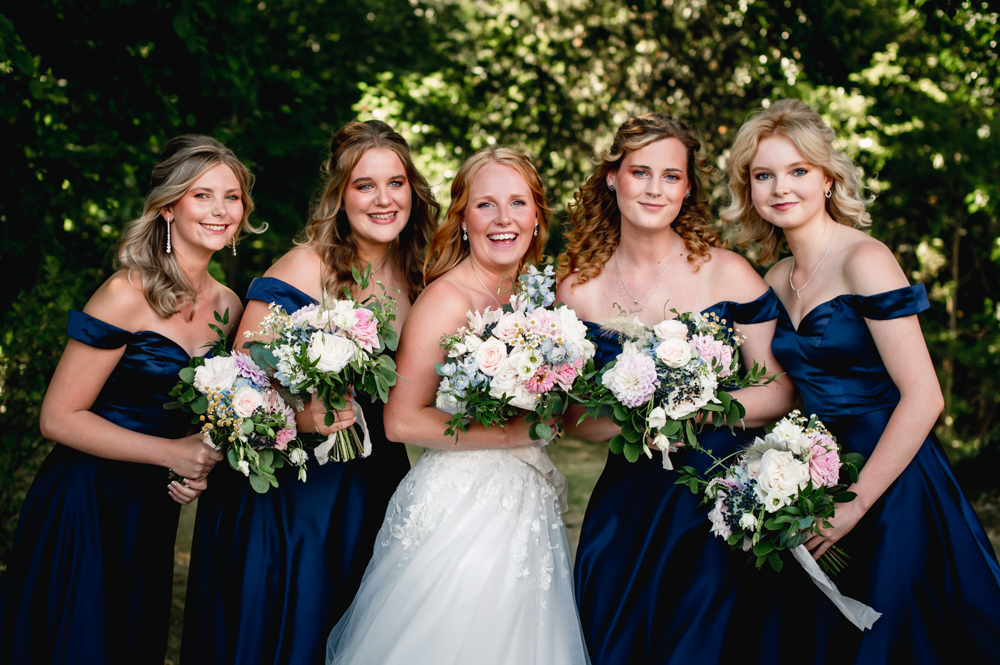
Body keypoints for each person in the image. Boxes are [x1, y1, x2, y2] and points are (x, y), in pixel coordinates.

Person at [722, 97, 1000, 664]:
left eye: (798, 170)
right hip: (815, 479)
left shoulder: (865, 260)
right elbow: (782, 393)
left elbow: (925, 396)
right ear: (748, 188)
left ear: (826, 178)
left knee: (899, 637)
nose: (782, 187)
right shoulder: (774, 279)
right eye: (764, 175)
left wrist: (855, 503)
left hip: (891, 481)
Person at [181, 120, 438, 665]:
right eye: (364, 185)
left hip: (373, 486)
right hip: (291, 499)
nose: (384, 199)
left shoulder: (420, 276)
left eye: (395, 183)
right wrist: (302, 419)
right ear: (340, 196)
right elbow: (232, 397)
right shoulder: (304, 267)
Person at [325, 146, 590, 665]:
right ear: (463, 218)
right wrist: (514, 435)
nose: (503, 219)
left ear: (537, 216)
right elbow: (401, 420)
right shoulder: (447, 299)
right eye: (485, 204)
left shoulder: (538, 299)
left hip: (526, 506)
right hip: (463, 507)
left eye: (517, 203)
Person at [0, 135, 256, 664]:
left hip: (152, 510)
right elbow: (58, 417)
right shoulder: (125, 292)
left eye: (232, 197)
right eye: (202, 195)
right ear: (168, 207)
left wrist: (198, 466)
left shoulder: (230, 306)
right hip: (85, 501)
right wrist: (171, 454)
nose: (220, 210)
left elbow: (208, 415)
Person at [557, 113, 795, 664]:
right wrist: (637, 418)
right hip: (627, 504)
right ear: (612, 177)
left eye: (670, 176)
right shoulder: (577, 290)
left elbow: (781, 391)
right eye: (640, 172)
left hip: (715, 501)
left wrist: (696, 408)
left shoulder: (729, 274)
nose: (654, 188)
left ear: (687, 188)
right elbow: (573, 420)